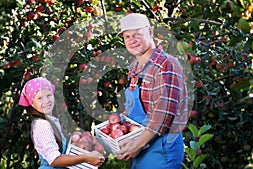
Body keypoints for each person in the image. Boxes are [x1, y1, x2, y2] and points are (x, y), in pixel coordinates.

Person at [116, 13, 188, 169]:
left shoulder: (165, 64)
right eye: (127, 36)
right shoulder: (134, 69)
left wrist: (137, 144)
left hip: (162, 150)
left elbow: (164, 114)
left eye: (137, 34)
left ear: (150, 32)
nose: (131, 40)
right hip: (142, 148)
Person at [19, 77, 105, 169]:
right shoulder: (42, 125)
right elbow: (54, 160)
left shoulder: (49, 120)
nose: (46, 101)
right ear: (32, 103)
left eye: (48, 95)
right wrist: (86, 158)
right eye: (39, 98)